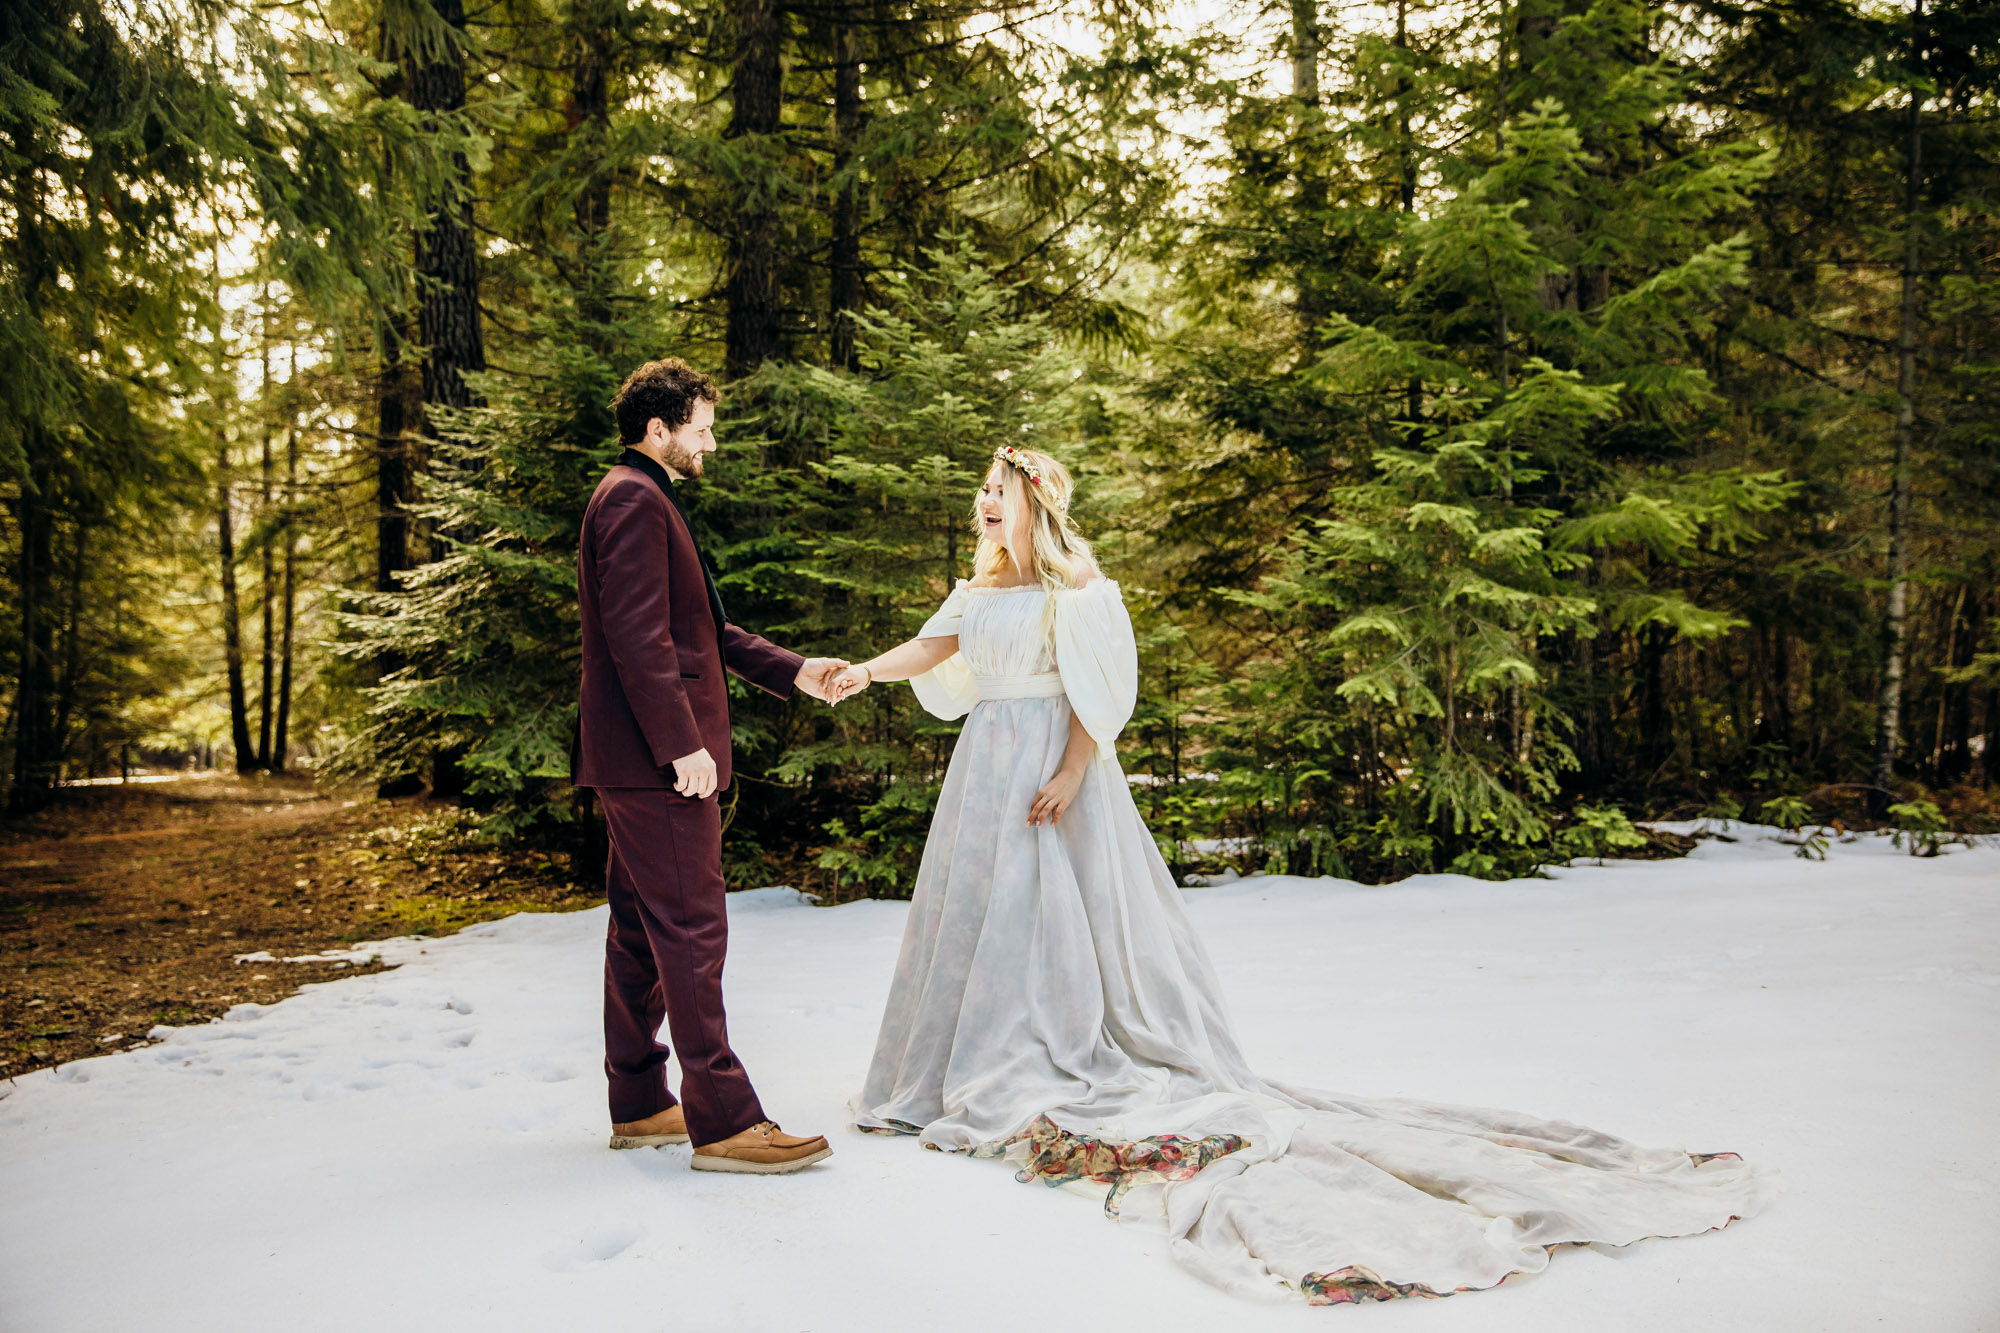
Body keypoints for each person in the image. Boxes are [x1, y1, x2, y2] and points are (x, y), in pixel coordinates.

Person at [826, 444, 1779, 1303]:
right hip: (983, 765)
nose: (986, 503)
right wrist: (864, 671)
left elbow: (1096, 692)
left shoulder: (1080, 589)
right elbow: (933, 651)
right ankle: (961, 1058)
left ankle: (1059, 1044)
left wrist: (1074, 768)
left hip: (1048, 764)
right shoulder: (976, 589)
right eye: (982, 491)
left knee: (1056, 919)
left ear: (1038, 503)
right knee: (979, 912)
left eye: (1001, 490)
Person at [573, 358, 844, 1175]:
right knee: (692, 929)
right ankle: (724, 1118)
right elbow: (638, 639)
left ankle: (641, 1100)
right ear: (658, 429)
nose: (711, 443)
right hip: (660, 763)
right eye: (701, 428)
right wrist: (681, 744)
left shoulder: (644, 497)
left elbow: (703, 634)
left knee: (639, 932)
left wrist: (795, 669)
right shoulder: (631, 498)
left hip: (637, 759)